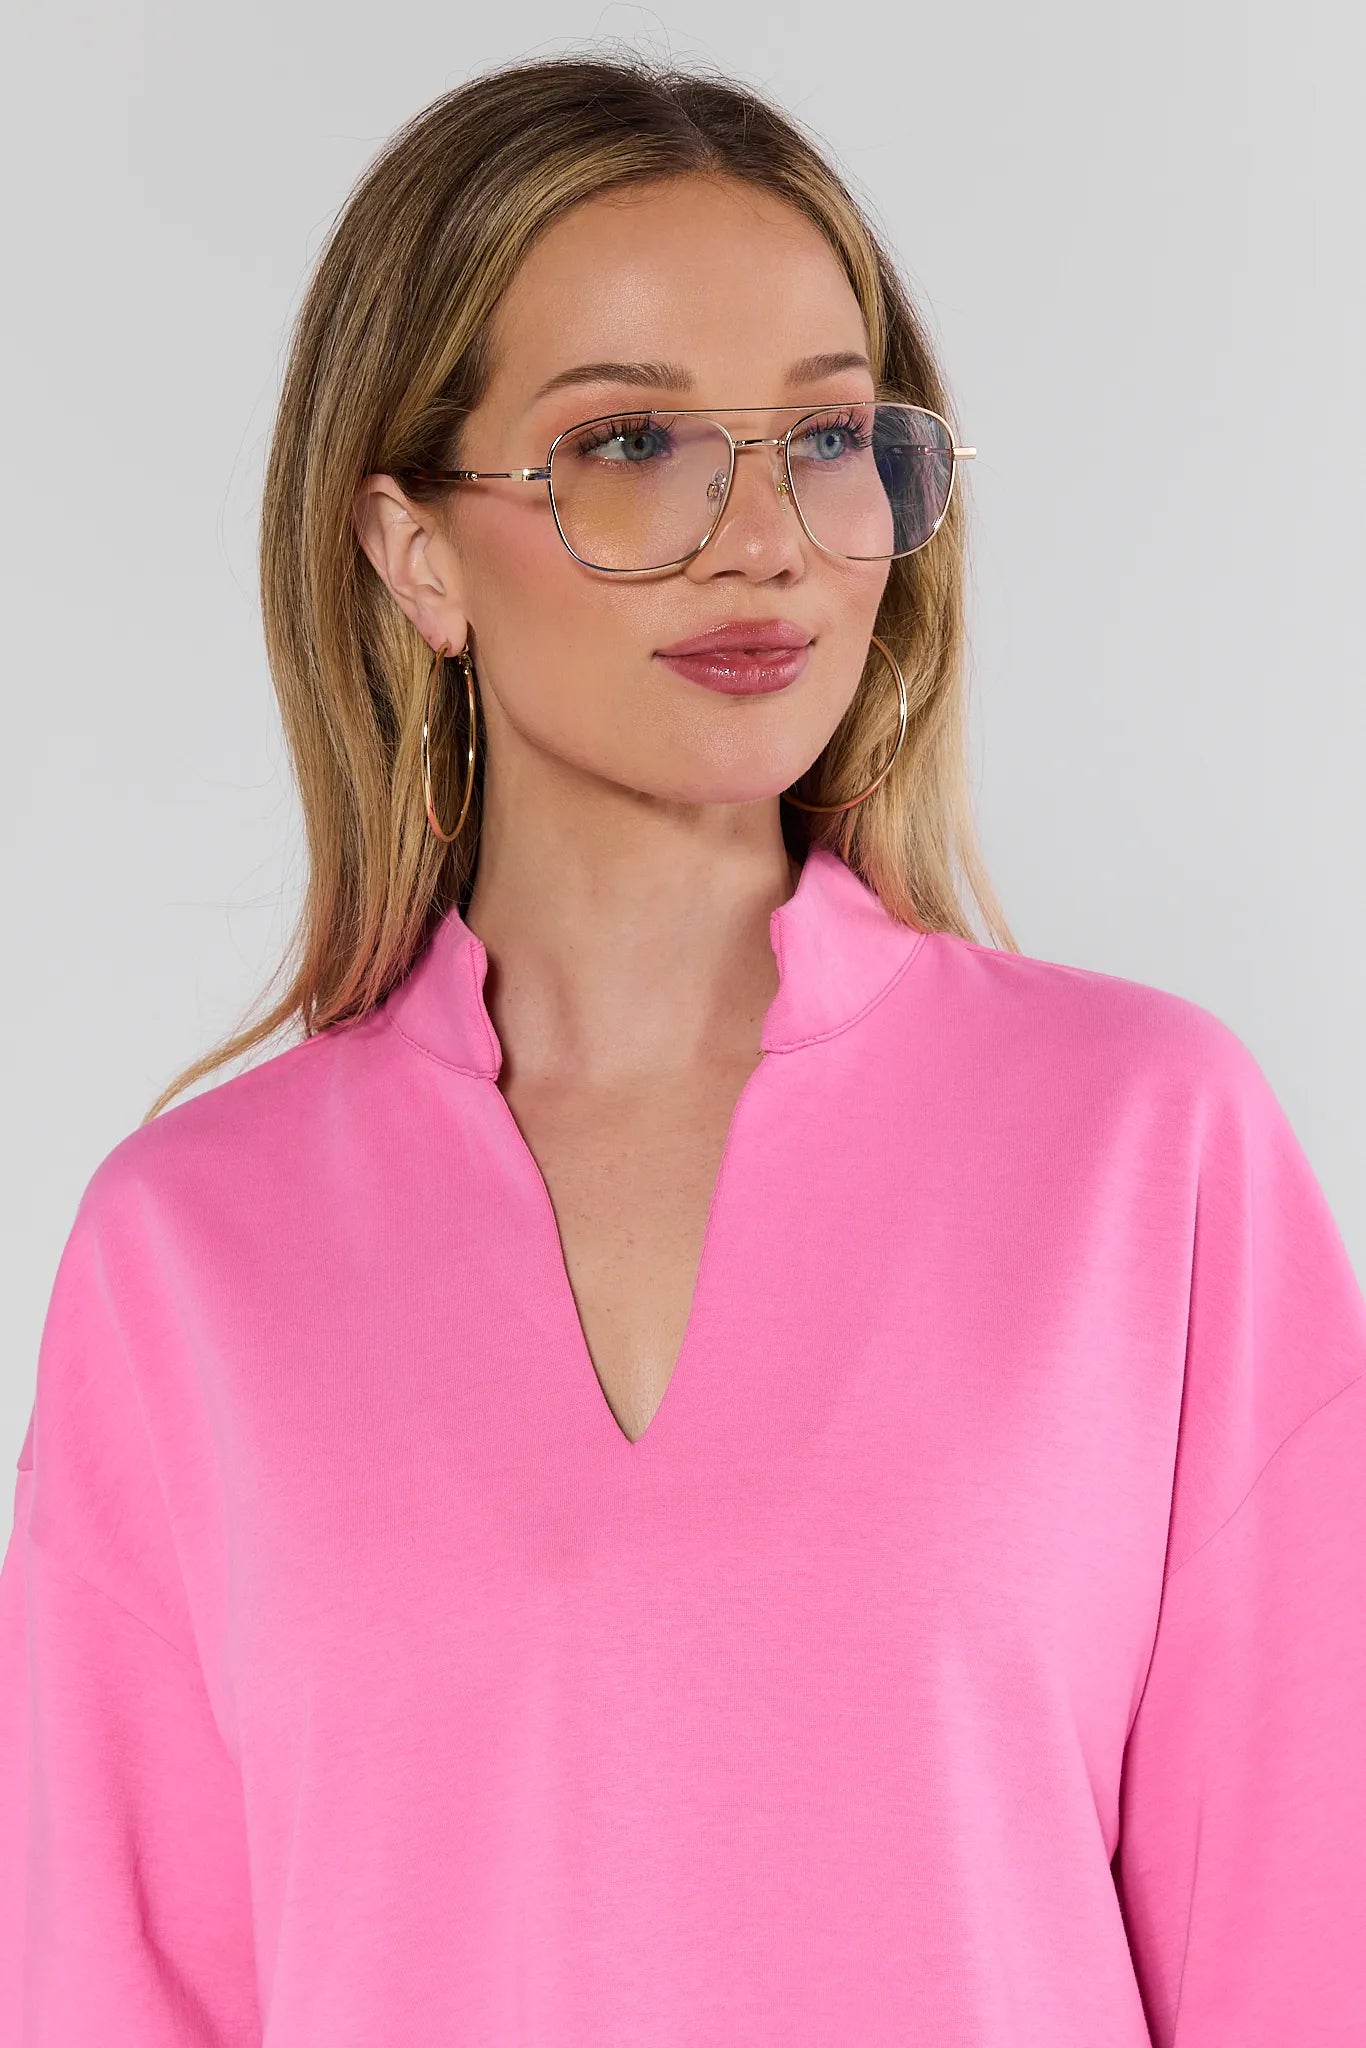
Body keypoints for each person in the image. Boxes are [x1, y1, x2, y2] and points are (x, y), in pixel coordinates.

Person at [2, 49, 1363, 2048]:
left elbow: (1298, 1955)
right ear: (411, 552)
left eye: (824, 436)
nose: (763, 539)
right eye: (629, 441)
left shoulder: (1141, 1149)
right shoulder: (187, 1257)